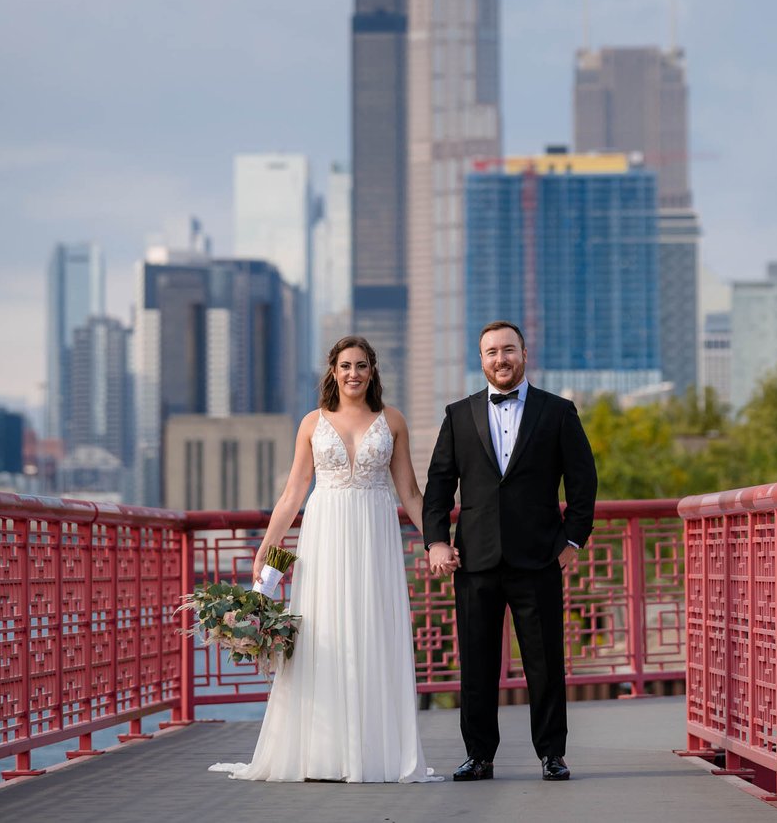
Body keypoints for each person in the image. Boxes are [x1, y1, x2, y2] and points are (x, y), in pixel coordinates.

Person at [210, 336, 440, 784]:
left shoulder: (392, 421)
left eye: (361, 365)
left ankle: (375, 754)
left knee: (374, 629)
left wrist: (437, 541)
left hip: (376, 534)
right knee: (324, 632)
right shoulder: (312, 423)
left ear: (372, 370)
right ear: (333, 372)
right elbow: (293, 493)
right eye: (345, 366)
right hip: (326, 534)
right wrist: (265, 548)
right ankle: (322, 753)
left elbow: (410, 492)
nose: (353, 373)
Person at [422, 320, 598, 782]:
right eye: (491, 352)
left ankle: (552, 754)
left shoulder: (559, 412)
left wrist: (572, 541)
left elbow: (584, 483)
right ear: (480, 360)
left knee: (544, 663)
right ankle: (479, 756)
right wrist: (437, 540)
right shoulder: (458, 415)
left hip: (539, 558)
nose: (500, 359)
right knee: (476, 665)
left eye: (508, 350)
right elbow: (439, 485)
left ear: (524, 353)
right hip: (474, 560)